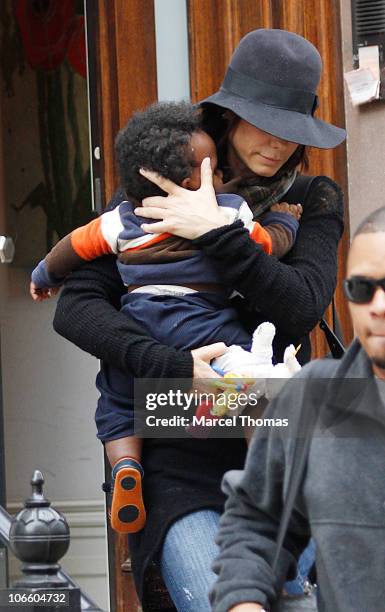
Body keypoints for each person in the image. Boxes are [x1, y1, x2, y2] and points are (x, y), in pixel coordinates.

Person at [52, 29, 346, 611]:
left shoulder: (310, 200)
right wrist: (177, 368)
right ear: (228, 114)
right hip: (175, 455)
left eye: (292, 128)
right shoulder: (163, 178)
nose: (277, 142)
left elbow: (302, 304)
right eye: (263, 121)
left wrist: (214, 229)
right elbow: (77, 308)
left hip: (276, 454)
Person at [30, 100, 301, 534]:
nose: (219, 178)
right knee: (250, 372)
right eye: (211, 171)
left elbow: (74, 246)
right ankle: (259, 471)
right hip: (203, 318)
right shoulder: (227, 210)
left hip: (141, 315)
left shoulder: (121, 218)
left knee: (117, 398)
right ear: (191, 181)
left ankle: (125, 466)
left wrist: (44, 274)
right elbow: (267, 244)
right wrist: (286, 222)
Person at [210, 206, 385, 612]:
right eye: (362, 288)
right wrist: (244, 601)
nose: (376, 305)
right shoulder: (311, 397)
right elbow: (258, 519)